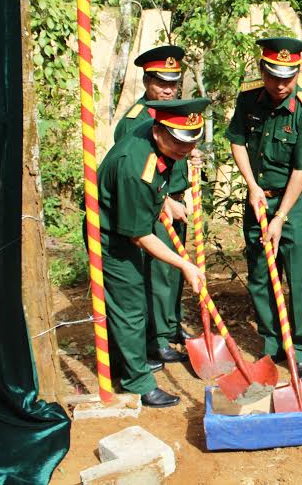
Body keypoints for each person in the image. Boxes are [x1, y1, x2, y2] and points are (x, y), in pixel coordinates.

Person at [227, 36, 302, 380]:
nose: (281, 84)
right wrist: (252, 187)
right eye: (274, 76)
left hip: (294, 204)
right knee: (260, 273)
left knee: (296, 277)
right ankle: (271, 342)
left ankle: (300, 348)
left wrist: (280, 216)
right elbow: (237, 142)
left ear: (299, 72)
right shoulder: (248, 99)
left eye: (289, 76)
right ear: (262, 70)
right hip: (258, 197)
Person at [98, 98, 208, 407]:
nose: (184, 151)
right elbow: (139, 235)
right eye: (178, 144)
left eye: (191, 142)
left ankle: (125, 363)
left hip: (133, 220)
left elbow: (154, 185)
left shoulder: (159, 140)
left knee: (136, 302)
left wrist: (164, 201)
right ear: (159, 132)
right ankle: (137, 381)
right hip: (114, 236)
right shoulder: (136, 167)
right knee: (130, 306)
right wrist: (184, 264)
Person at [114, 45, 200, 364]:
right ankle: (157, 338)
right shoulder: (136, 121)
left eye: (173, 82)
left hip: (175, 201)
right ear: (147, 81)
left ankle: (172, 325)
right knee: (159, 271)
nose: (168, 89)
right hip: (153, 205)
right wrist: (165, 202)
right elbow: (138, 175)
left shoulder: (175, 114)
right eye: (161, 82)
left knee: (175, 272)